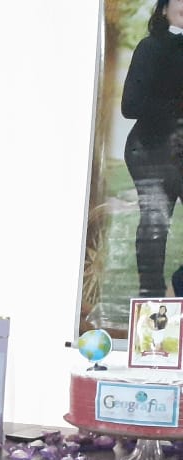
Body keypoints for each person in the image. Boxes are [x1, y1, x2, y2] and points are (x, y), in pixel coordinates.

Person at [121, 0, 183, 297]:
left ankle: (178, 286)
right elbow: (130, 105)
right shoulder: (151, 47)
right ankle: (152, 301)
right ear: (164, 8)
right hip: (151, 151)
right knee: (155, 225)